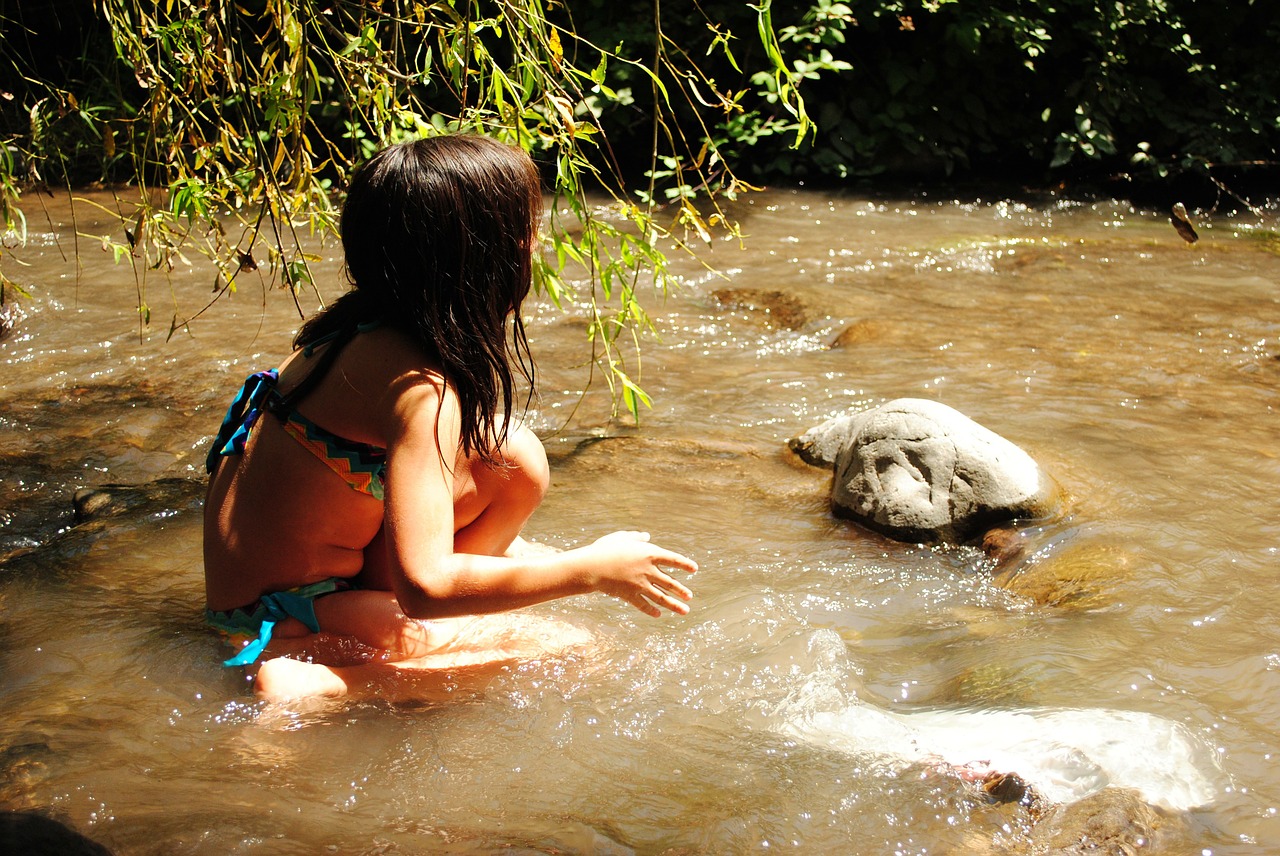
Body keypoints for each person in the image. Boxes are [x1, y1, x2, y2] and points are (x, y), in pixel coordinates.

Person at [203, 135, 698, 702]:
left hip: (271, 593)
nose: (534, 243)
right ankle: (322, 681)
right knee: (571, 648)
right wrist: (589, 571)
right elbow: (425, 587)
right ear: (486, 260)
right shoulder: (423, 392)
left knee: (511, 461)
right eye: (525, 232)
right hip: (278, 617)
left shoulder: (347, 332)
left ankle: (341, 641)